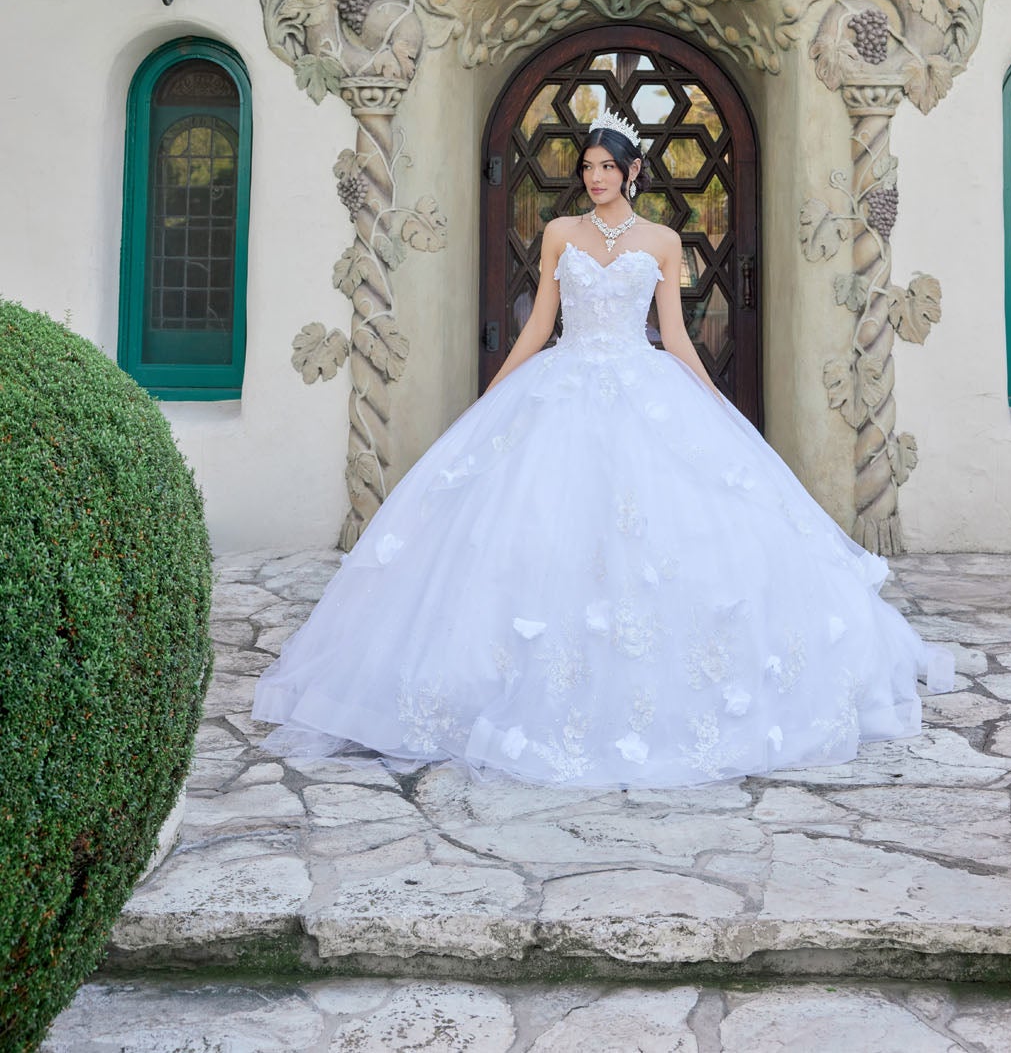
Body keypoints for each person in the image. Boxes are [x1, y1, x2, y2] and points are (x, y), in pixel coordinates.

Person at [253, 109, 953, 787]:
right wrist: (496, 393)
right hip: (564, 383)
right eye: (587, 166)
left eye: (607, 167)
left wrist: (713, 402)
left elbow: (673, 334)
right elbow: (539, 326)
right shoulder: (560, 233)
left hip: (641, 383)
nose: (595, 177)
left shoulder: (663, 241)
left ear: (632, 171)